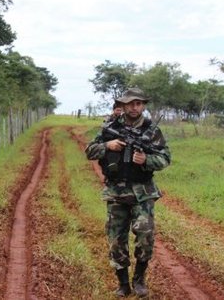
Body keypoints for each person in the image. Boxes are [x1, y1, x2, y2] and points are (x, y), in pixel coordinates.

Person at [85, 88, 171, 297]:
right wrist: (108, 145)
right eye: (131, 103)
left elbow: (165, 158)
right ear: (122, 105)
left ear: (143, 105)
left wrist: (147, 161)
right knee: (116, 239)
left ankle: (139, 281)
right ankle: (123, 284)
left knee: (145, 237)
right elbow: (90, 151)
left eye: (139, 103)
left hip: (143, 193)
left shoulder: (151, 131)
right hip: (116, 192)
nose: (135, 107)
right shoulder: (110, 127)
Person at [92, 101, 125, 184]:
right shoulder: (109, 120)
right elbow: (104, 130)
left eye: (121, 110)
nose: (119, 112)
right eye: (117, 110)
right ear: (113, 110)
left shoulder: (124, 120)